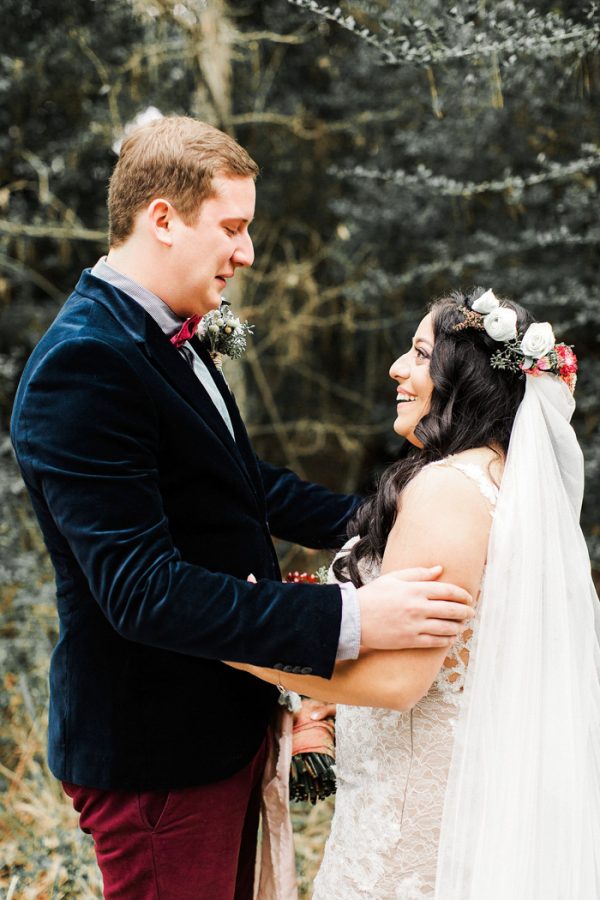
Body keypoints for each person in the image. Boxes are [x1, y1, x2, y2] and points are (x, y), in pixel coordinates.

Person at [9, 116, 475, 900]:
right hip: (159, 753)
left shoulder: (164, 335)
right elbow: (142, 591)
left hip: (214, 731)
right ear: (162, 218)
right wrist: (353, 620)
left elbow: (237, 483)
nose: (248, 252)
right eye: (232, 227)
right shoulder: (85, 363)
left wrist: (393, 520)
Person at [236, 288, 600, 899]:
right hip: (426, 805)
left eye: (419, 353)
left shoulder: (448, 490)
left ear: (464, 379)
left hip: (408, 841)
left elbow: (398, 683)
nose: (397, 368)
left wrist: (243, 644)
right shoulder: (496, 483)